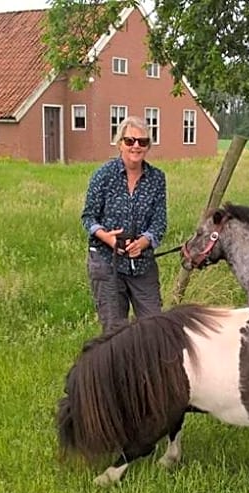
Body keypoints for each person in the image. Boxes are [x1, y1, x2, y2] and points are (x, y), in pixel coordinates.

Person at [81, 116, 167, 333]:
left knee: (154, 328)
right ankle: (120, 368)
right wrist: (107, 238)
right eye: (129, 141)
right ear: (119, 143)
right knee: (114, 332)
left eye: (142, 142)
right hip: (106, 262)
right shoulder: (103, 175)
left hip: (142, 265)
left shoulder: (157, 179)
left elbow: (159, 222)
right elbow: (88, 217)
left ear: (148, 146)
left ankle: (150, 367)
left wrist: (145, 242)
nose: (136, 146)